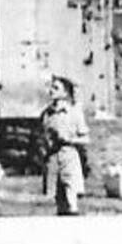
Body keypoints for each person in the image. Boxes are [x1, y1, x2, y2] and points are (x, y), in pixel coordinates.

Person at [40, 76, 90, 216]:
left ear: (65, 93)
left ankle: (73, 216)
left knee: (71, 191)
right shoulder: (46, 114)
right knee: (56, 195)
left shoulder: (74, 113)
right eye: (51, 87)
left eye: (56, 88)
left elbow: (85, 138)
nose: (51, 91)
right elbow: (42, 136)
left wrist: (70, 139)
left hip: (69, 155)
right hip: (52, 156)